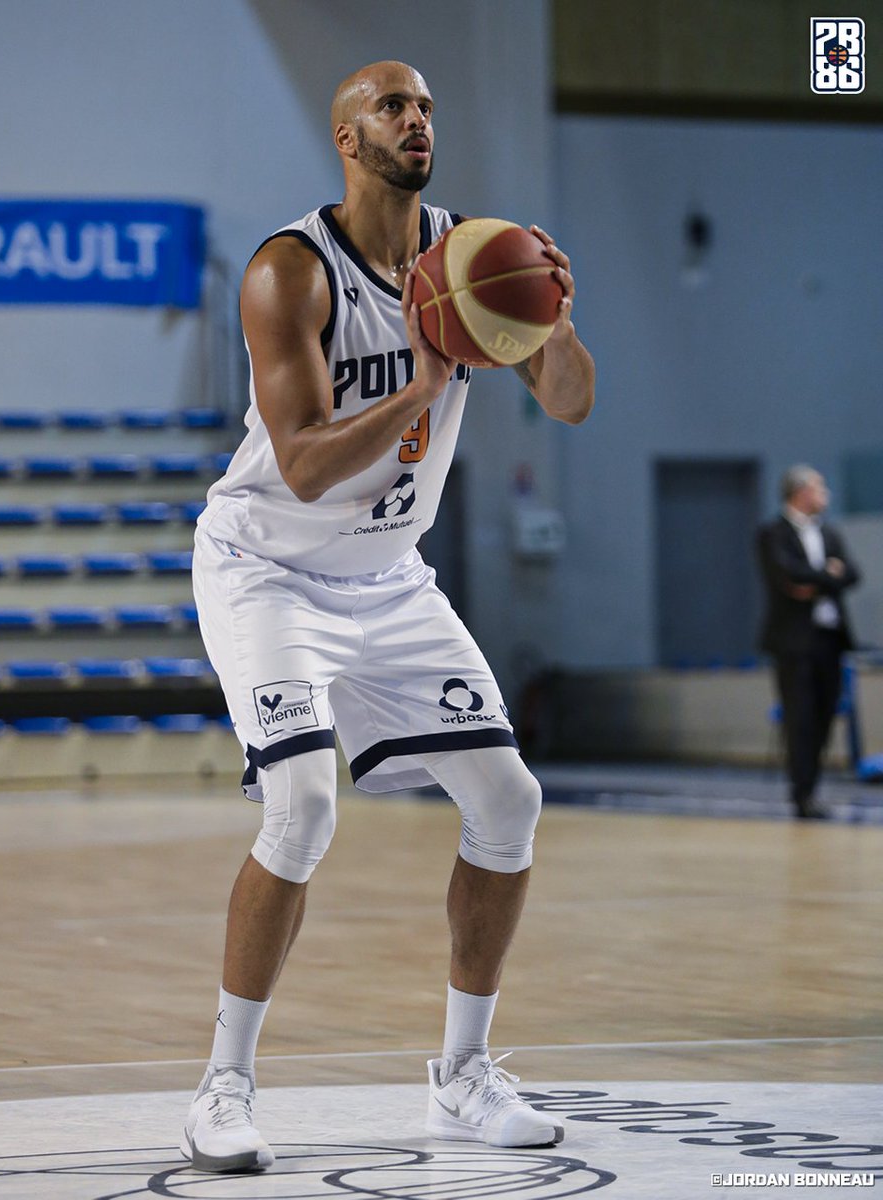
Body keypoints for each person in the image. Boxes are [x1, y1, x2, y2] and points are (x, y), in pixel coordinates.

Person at [182, 60, 595, 1173]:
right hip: (268, 568)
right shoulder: (288, 272)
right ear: (346, 138)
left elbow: (569, 403)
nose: (415, 121)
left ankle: (462, 1078)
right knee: (305, 805)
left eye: (424, 106)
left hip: (390, 576)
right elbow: (307, 466)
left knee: (509, 798)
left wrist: (552, 324)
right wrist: (421, 385)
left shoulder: (471, 255)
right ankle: (225, 1084)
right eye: (391, 108)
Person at [757, 465, 860, 820]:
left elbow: (852, 574)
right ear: (801, 493)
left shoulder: (828, 533)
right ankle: (802, 795)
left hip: (830, 640)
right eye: (820, 488)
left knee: (825, 715)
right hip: (793, 643)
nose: (825, 494)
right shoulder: (772, 533)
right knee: (800, 718)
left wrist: (814, 584)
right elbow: (787, 576)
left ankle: (813, 789)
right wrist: (827, 575)